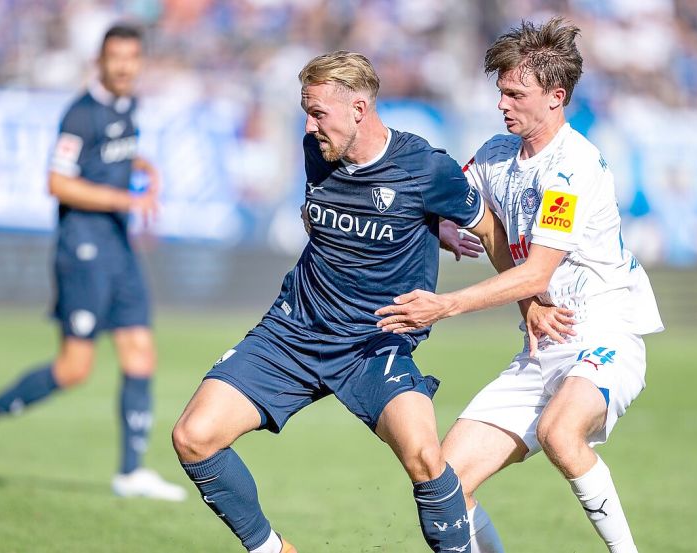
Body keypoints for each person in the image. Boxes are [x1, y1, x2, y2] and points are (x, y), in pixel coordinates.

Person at [170, 51, 511, 553]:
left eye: (318, 112)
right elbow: (339, 217)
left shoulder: (427, 168)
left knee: (425, 459)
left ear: (359, 107)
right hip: (293, 331)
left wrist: (534, 299)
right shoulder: (319, 149)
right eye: (306, 111)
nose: (309, 124)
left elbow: (493, 235)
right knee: (194, 437)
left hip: (375, 342)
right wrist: (432, 230)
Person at [376, 18, 664, 553]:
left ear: (556, 97)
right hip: (542, 344)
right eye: (500, 91)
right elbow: (461, 209)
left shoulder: (572, 168)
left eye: (515, 93)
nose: (503, 103)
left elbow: (536, 271)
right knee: (445, 488)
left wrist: (444, 306)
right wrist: (442, 227)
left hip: (603, 331)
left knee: (561, 432)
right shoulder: (494, 155)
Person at [0, 24, 186, 502]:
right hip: (83, 247)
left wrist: (143, 167)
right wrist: (125, 198)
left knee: (140, 351)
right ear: (99, 61)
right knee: (75, 367)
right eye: (115, 57)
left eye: (131, 57)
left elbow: (115, 154)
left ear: (140, 62)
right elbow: (57, 183)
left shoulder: (128, 106)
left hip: (118, 245)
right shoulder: (79, 114)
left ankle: (131, 471)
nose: (123, 65)